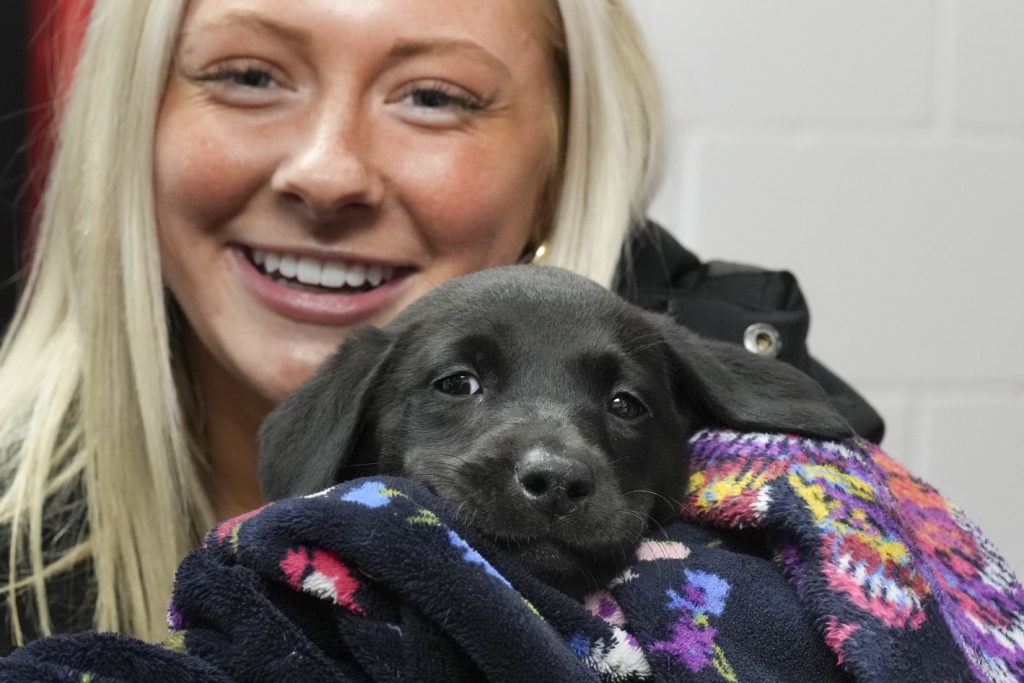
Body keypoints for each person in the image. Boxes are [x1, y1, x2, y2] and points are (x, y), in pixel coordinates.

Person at [0, 0, 884, 653]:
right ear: (130, 126)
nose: (327, 171)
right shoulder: (18, 521)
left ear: (560, 155)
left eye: (433, 95)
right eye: (248, 75)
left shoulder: (794, 526)